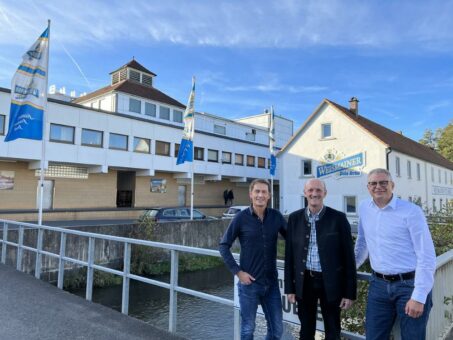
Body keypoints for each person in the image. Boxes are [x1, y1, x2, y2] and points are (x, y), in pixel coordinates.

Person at [355, 168, 436, 340]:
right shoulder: (364, 207)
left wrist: (419, 296)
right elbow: (362, 243)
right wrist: (349, 268)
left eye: (383, 182)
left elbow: (426, 255)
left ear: (392, 185)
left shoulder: (411, 211)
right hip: (378, 285)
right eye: (373, 183)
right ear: (368, 187)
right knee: (374, 337)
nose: (378, 186)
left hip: (410, 285)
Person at [284, 178, 357, 340]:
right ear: (305, 193)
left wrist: (349, 293)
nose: (314, 193)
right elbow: (289, 256)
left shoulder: (338, 218)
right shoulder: (294, 218)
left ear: (325, 193)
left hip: (331, 283)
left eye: (318, 190)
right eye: (310, 190)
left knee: (332, 329)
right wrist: (289, 288)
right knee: (306, 330)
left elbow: (349, 259)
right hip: (305, 283)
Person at [219, 179, 287, 340]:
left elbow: (293, 241)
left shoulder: (276, 217)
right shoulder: (241, 218)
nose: (260, 195)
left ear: (269, 195)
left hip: (271, 284)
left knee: (276, 330)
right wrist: (238, 272)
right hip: (249, 284)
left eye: (264, 192)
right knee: (248, 330)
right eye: (257, 191)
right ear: (251, 195)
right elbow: (223, 246)